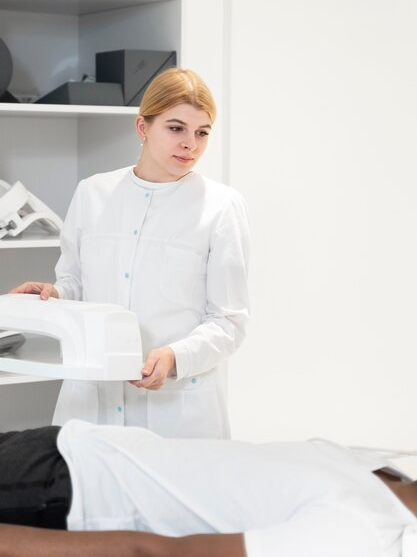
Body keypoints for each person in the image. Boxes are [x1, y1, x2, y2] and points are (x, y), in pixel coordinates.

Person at [10, 68, 250, 438]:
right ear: (142, 128)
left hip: (176, 412)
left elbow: (228, 322)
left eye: (202, 132)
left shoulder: (220, 207)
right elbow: (75, 284)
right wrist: (52, 295)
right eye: (176, 128)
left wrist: (176, 358)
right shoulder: (92, 194)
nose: (191, 144)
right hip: (91, 405)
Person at [0, 420, 417, 557]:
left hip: (60, 493)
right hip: (69, 450)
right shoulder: (384, 470)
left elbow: (153, 553)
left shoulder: (358, 534)